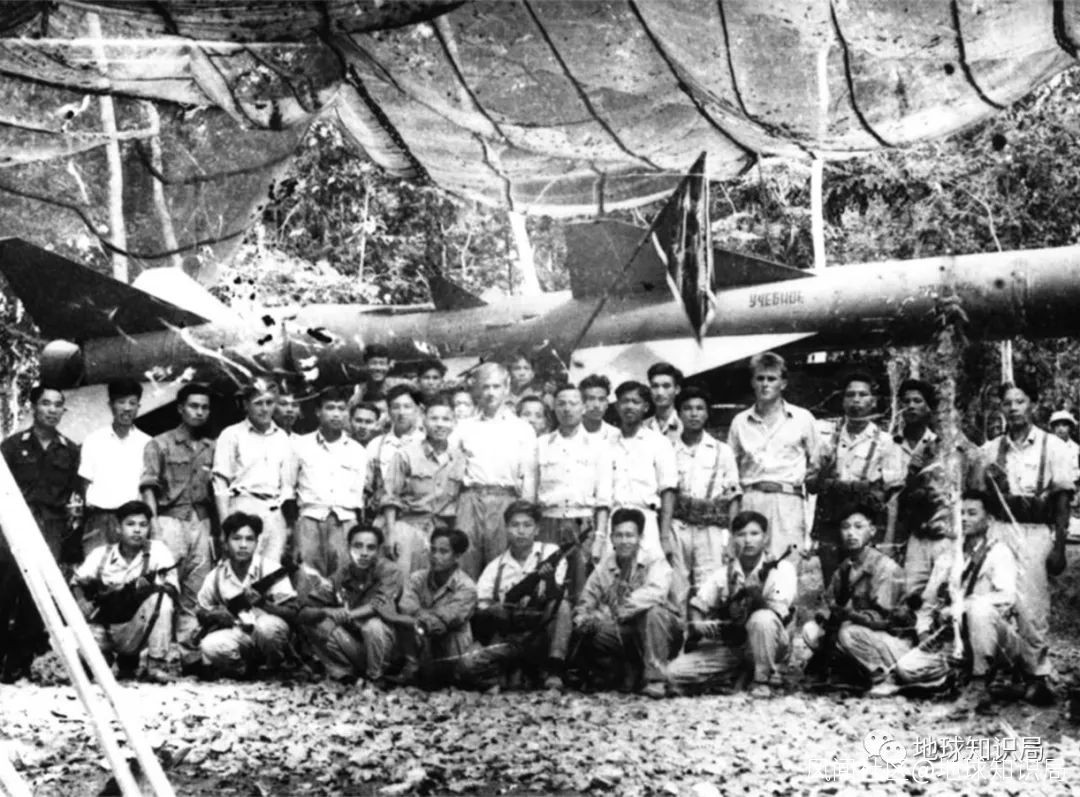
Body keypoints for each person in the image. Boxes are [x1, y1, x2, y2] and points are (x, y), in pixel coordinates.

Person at [979, 380, 1073, 696]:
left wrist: (1059, 546)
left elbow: (1062, 498)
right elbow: (980, 498)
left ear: (1032, 404)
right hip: (1000, 528)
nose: (1014, 408)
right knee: (996, 597)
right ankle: (1002, 668)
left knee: (1032, 603)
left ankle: (1036, 673)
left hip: (1035, 530)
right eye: (1008, 403)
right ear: (1001, 408)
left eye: (1020, 401)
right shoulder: (991, 449)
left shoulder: (1053, 446)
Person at [889, 491, 1026, 700]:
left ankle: (980, 682)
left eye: (972, 513)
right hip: (956, 639)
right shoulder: (948, 556)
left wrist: (962, 606)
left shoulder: (999, 552)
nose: (964, 519)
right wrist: (925, 635)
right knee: (906, 669)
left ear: (989, 520)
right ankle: (959, 676)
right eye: (960, 513)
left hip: (997, 639)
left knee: (978, 609)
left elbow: (1007, 596)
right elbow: (928, 602)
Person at [667, 510, 797, 696]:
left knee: (761, 619)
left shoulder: (782, 569)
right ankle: (734, 676)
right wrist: (701, 624)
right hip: (733, 646)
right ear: (733, 538)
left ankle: (762, 680)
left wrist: (753, 596)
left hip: (770, 643)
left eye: (754, 534)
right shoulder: (725, 573)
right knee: (673, 673)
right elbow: (698, 605)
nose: (748, 540)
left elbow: (777, 615)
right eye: (741, 535)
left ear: (765, 537)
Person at [0, 386, 80, 682]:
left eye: (58, 405)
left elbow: (73, 491)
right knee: (5, 588)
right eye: (46, 403)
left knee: (39, 595)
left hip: (50, 526)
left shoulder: (70, 450)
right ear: (33, 407)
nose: (52, 410)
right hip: (13, 525)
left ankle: (18, 662)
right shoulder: (12, 446)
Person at [140, 382, 216, 676]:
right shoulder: (159, 444)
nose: (199, 412)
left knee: (196, 591)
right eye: (193, 406)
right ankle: (156, 658)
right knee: (164, 590)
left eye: (204, 407)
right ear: (180, 409)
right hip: (169, 520)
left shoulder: (211, 447)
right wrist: (154, 527)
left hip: (201, 521)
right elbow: (148, 486)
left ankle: (191, 655)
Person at [571, 508, 683, 698]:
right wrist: (586, 619)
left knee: (653, 613)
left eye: (630, 535)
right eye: (619, 535)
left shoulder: (654, 561)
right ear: (612, 538)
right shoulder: (604, 567)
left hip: (663, 632)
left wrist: (621, 609)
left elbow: (655, 593)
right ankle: (624, 671)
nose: (624, 541)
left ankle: (656, 679)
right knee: (593, 631)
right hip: (626, 631)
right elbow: (585, 601)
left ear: (640, 538)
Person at [462, 501, 571, 689]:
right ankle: (515, 674)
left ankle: (554, 669)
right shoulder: (495, 568)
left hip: (542, 634)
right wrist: (497, 610)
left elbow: (556, 596)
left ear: (537, 529)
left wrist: (549, 579)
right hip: (511, 636)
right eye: (515, 525)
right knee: (467, 664)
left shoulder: (551, 553)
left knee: (562, 606)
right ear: (506, 529)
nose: (521, 531)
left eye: (527, 525)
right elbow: (481, 608)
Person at [801, 503, 909, 690]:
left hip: (893, 641)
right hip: (862, 634)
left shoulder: (885, 568)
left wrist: (850, 615)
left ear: (872, 531)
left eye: (858, 527)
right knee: (811, 631)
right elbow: (828, 601)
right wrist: (826, 617)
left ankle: (884, 676)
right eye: (845, 527)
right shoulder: (847, 566)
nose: (851, 533)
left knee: (847, 633)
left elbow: (886, 620)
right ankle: (851, 674)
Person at [810, 373, 903, 589]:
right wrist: (824, 473)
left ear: (873, 401)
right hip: (832, 522)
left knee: (863, 583)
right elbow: (811, 484)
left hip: (864, 523)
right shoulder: (827, 438)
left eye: (863, 395)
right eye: (850, 395)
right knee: (832, 582)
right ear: (843, 400)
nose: (856, 400)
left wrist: (887, 536)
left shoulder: (885, 442)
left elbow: (893, 493)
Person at [70, 501, 177, 683]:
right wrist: (82, 603)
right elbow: (76, 582)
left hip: (136, 629)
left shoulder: (158, 551)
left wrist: (139, 590)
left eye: (143, 525)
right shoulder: (101, 554)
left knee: (162, 599)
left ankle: (156, 665)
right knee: (73, 648)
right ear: (118, 528)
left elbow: (171, 589)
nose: (137, 530)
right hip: (103, 626)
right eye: (130, 524)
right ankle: (108, 659)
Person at [728, 352, 821, 560]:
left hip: (787, 502)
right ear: (752, 382)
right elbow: (730, 471)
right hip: (751, 499)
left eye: (772, 379)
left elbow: (816, 465)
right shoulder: (740, 422)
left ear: (783, 383)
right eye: (760, 378)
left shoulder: (803, 419)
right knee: (749, 563)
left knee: (786, 564)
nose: (765, 384)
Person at [453, 362, 538, 579]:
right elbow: (453, 470)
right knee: (465, 561)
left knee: (501, 565)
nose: (491, 393)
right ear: (477, 390)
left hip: (505, 500)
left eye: (496, 386)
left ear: (506, 388)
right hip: (470, 500)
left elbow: (529, 475)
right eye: (485, 387)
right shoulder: (464, 427)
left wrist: (524, 512)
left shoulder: (522, 428)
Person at [196, 512, 298, 678]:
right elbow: (201, 610)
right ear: (226, 543)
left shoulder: (270, 569)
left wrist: (263, 604)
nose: (243, 545)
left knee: (266, 627)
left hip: (268, 634)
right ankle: (245, 671)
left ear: (257, 543)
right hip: (240, 634)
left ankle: (276, 667)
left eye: (249, 539)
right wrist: (214, 615)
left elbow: (293, 613)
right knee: (209, 645)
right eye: (236, 539)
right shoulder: (216, 576)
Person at [296, 525, 402, 684]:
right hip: (355, 645)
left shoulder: (390, 571)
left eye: (371, 548)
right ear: (348, 547)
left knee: (373, 626)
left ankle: (376, 677)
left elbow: (377, 605)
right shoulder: (341, 575)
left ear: (379, 551)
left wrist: (343, 616)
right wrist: (326, 612)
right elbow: (304, 611)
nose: (364, 553)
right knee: (314, 621)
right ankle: (344, 672)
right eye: (358, 546)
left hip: (384, 648)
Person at [536, 385, 611, 601]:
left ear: (583, 407)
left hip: (583, 524)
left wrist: (599, 538)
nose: (567, 409)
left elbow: (604, 498)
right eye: (561, 404)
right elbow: (530, 495)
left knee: (581, 589)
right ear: (554, 408)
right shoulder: (541, 444)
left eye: (573, 403)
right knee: (547, 587)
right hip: (548, 523)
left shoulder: (599, 446)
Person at [283, 387, 368, 577]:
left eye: (341, 408)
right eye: (330, 408)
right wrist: (294, 529)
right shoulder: (299, 445)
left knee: (343, 578)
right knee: (307, 579)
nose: (336, 414)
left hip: (345, 522)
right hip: (309, 521)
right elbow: (288, 488)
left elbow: (359, 494)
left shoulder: (358, 451)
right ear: (318, 412)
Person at [381, 395, 462, 581]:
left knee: (432, 584)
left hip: (440, 532)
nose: (439, 424)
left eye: (446, 419)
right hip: (408, 527)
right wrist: (391, 534)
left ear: (454, 423)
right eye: (434, 418)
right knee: (402, 581)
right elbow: (390, 496)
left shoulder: (459, 458)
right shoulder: (406, 454)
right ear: (423, 420)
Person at [212, 379, 292, 566]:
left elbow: (286, 484)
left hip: (273, 511)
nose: (264, 409)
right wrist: (226, 525)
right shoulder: (231, 434)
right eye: (258, 403)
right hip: (243, 506)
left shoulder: (282, 437)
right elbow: (220, 483)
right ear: (246, 405)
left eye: (269, 403)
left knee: (271, 571)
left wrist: (284, 521)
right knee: (242, 569)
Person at [599, 380, 678, 565]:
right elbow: (602, 496)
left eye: (635, 402)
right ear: (617, 406)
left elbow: (668, 491)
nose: (629, 406)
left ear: (646, 407)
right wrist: (599, 536)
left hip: (647, 521)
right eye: (624, 401)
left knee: (650, 572)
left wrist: (664, 536)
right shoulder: (606, 444)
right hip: (615, 521)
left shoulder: (659, 443)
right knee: (612, 573)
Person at [670, 387, 740, 586]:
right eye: (687, 408)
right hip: (678, 526)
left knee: (709, 585)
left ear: (707, 413)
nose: (694, 414)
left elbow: (734, 495)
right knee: (676, 587)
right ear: (679, 413)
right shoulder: (668, 449)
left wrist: (732, 537)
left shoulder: (722, 450)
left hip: (710, 528)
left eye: (700, 408)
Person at [396, 528, 478, 686]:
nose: (435, 556)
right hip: (421, 644)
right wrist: (419, 617)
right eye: (433, 550)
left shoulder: (466, 587)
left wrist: (403, 616)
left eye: (443, 552)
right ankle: (412, 672)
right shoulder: (417, 578)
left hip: (451, 651)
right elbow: (406, 607)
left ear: (457, 556)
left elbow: (441, 623)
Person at [78, 379, 151, 555]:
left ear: (138, 407)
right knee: (96, 567)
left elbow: (148, 487)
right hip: (99, 520)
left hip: (133, 521)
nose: (127, 408)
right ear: (110, 405)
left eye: (132, 403)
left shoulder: (147, 443)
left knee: (130, 568)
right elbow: (84, 482)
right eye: (121, 402)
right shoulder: (93, 440)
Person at [367, 385, 426, 510]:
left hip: (419, 513)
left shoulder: (426, 443)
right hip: (383, 511)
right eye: (396, 407)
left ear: (418, 410)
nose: (401, 413)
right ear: (389, 411)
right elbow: (366, 485)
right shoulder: (376, 445)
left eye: (407, 407)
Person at [644, 362, 683, 443]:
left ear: (677, 389)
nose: (660, 392)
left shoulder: (686, 426)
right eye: (655, 386)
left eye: (666, 386)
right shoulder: (641, 428)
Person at [579, 374, 619, 442]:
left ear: (607, 404)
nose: (597, 405)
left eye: (601, 399)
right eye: (591, 399)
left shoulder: (617, 436)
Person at [1049, 409, 1080, 483]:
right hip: (1053, 485)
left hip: (1073, 484)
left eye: (1064, 425)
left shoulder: (1076, 448)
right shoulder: (1048, 445)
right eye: (1057, 425)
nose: (1060, 428)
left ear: (1070, 427)